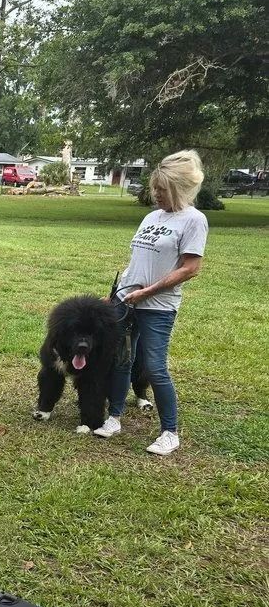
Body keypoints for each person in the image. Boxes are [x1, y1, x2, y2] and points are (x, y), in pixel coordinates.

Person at [94, 149, 207, 455]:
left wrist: (148, 291)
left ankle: (170, 432)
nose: (155, 194)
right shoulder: (151, 216)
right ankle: (114, 417)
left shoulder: (194, 220)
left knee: (155, 367)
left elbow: (190, 268)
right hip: (126, 301)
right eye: (155, 188)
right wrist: (116, 292)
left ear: (180, 189)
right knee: (121, 360)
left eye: (162, 190)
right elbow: (137, 259)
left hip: (158, 307)